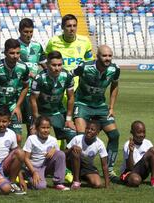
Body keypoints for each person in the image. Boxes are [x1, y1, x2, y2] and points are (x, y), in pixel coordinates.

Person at [71, 45, 121, 178]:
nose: (107, 58)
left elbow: (115, 85)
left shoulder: (114, 69)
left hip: (100, 106)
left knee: (114, 135)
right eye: (104, 56)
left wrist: (111, 107)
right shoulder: (85, 67)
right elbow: (68, 76)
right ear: (97, 56)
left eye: (110, 56)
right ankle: (81, 169)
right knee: (81, 137)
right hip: (82, 104)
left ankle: (109, 170)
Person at [0, 38, 29, 145]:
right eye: (12, 53)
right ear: (5, 52)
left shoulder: (23, 67)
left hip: (11, 106)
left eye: (18, 53)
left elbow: (26, 87)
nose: (15, 56)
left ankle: (14, 161)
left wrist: (17, 106)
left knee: (18, 139)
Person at [30, 51, 76, 143]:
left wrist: (68, 119)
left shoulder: (67, 76)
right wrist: (36, 119)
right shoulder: (39, 78)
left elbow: (71, 98)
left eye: (59, 65)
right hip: (41, 113)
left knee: (72, 134)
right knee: (34, 136)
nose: (57, 68)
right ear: (47, 64)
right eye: (54, 65)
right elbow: (33, 100)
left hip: (57, 112)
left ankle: (64, 156)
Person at [45, 14, 93, 88]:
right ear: (62, 27)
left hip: (79, 86)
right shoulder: (53, 42)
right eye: (69, 26)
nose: (72, 29)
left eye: (74, 26)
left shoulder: (85, 41)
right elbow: (46, 60)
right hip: (58, 85)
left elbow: (90, 62)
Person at [23, 116, 69, 190]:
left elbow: (59, 156)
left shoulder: (53, 140)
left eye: (48, 128)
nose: (46, 130)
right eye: (43, 128)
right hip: (34, 167)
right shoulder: (31, 139)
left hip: (46, 166)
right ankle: (27, 178)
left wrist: (54, 150)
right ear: (37, 128)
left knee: (60, 154)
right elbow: (26, 158)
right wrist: (34, 172)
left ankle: (58, 183)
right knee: (41, 186)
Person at [18, 18, 46, 136]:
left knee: (33, 126)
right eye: (25, 32)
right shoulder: (15, 45)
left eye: (30, 31)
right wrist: (28, 73)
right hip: (19, 90)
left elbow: (45, 65)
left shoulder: (37, 46)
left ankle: (31, 153)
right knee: (16, 127)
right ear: (20, 30)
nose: (28, 34)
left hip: (33, 91)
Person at [66, 121, 110, 189]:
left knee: (97, 184)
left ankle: (82, 177)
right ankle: (76, 181)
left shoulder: (100, 144)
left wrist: (107, 185)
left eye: (92, 129)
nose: (89, 131)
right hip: (72, 163)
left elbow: (104, 165)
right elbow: (63, 153)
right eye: (87, 128)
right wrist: (72, 148)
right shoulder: (77, 138)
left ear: (97, 133)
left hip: (87, 166)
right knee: (76, 152)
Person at [120, 121, 154, 188]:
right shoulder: (127, 145)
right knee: (135, 180)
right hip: (129, 172)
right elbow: (130, 168)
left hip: (142, 172)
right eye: (139, 132)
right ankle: (129, 181)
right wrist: (131, 151)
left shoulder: (147, 142)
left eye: (144, 132)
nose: (142, 135)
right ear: (132, 132)